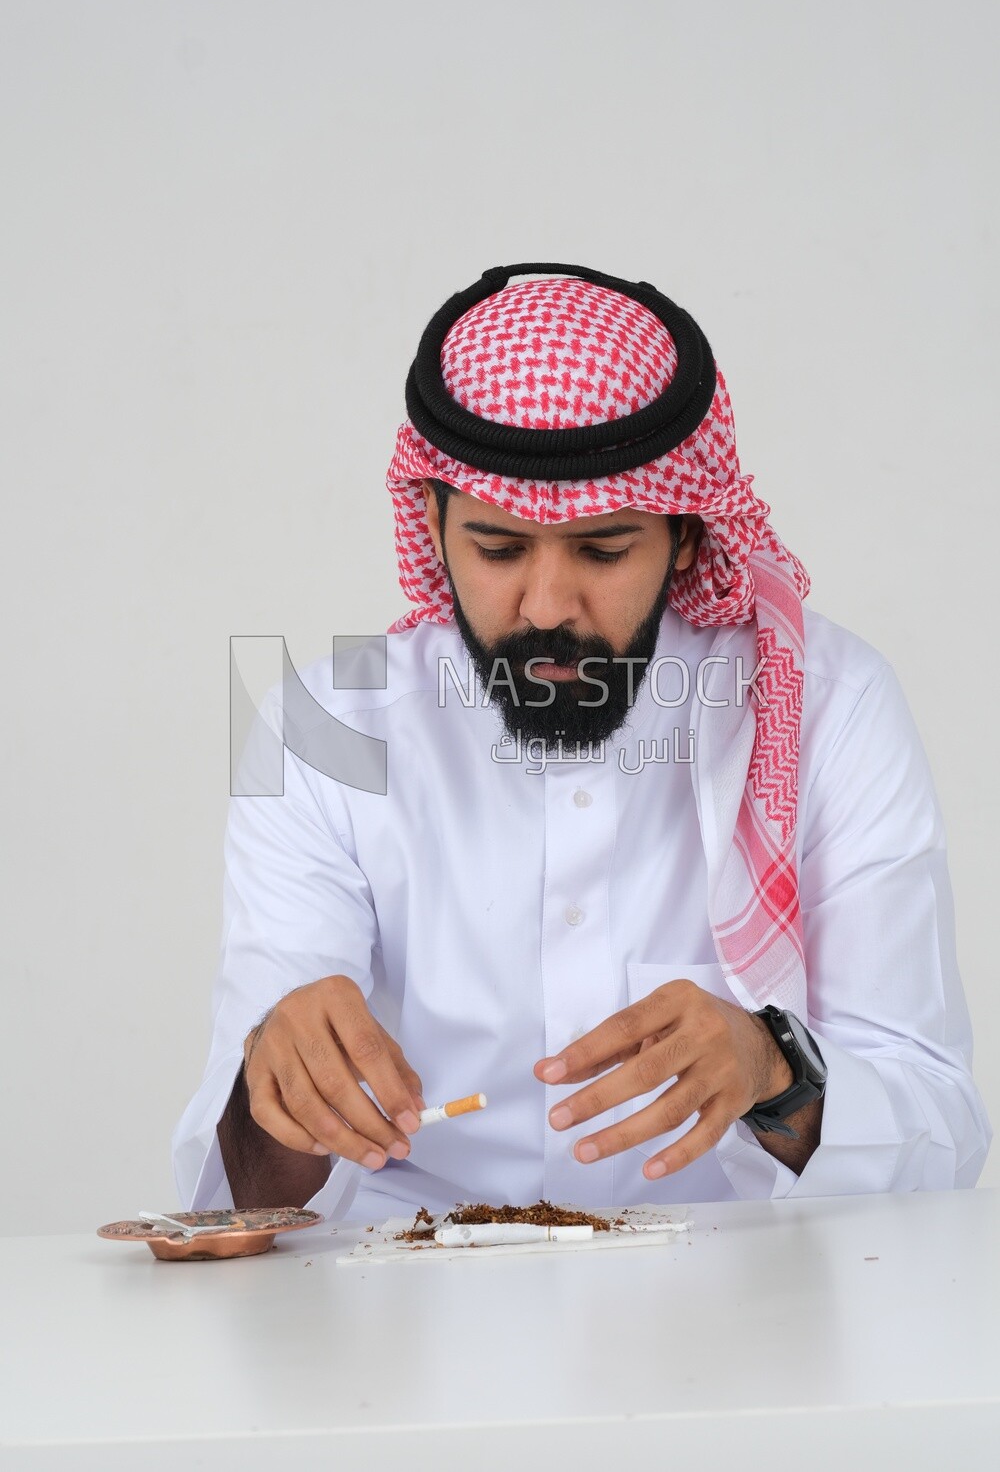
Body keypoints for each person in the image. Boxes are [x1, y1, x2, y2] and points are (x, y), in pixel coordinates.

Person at [173, 262, 990, 1222]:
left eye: (603, 551)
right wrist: (280, 1085)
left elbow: (943, 1141)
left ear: (686, 536)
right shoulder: (322, 733)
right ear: (433, 522)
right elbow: (244, 1198)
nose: (548, 606)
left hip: (738, 1315)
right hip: (406, 1312)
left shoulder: (828, 709)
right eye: (498, 548)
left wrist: (774, 1070)